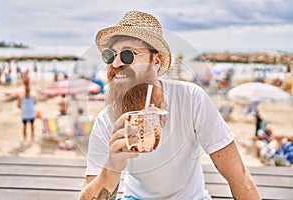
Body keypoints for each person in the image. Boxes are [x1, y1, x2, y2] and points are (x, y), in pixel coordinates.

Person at [80, 11, 260, 200]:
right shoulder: (107, 119)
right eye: (111, 55)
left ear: (156, 60)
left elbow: (237, 175)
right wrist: (111, 168)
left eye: (127, 54)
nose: (115, 63)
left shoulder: (191, 99)